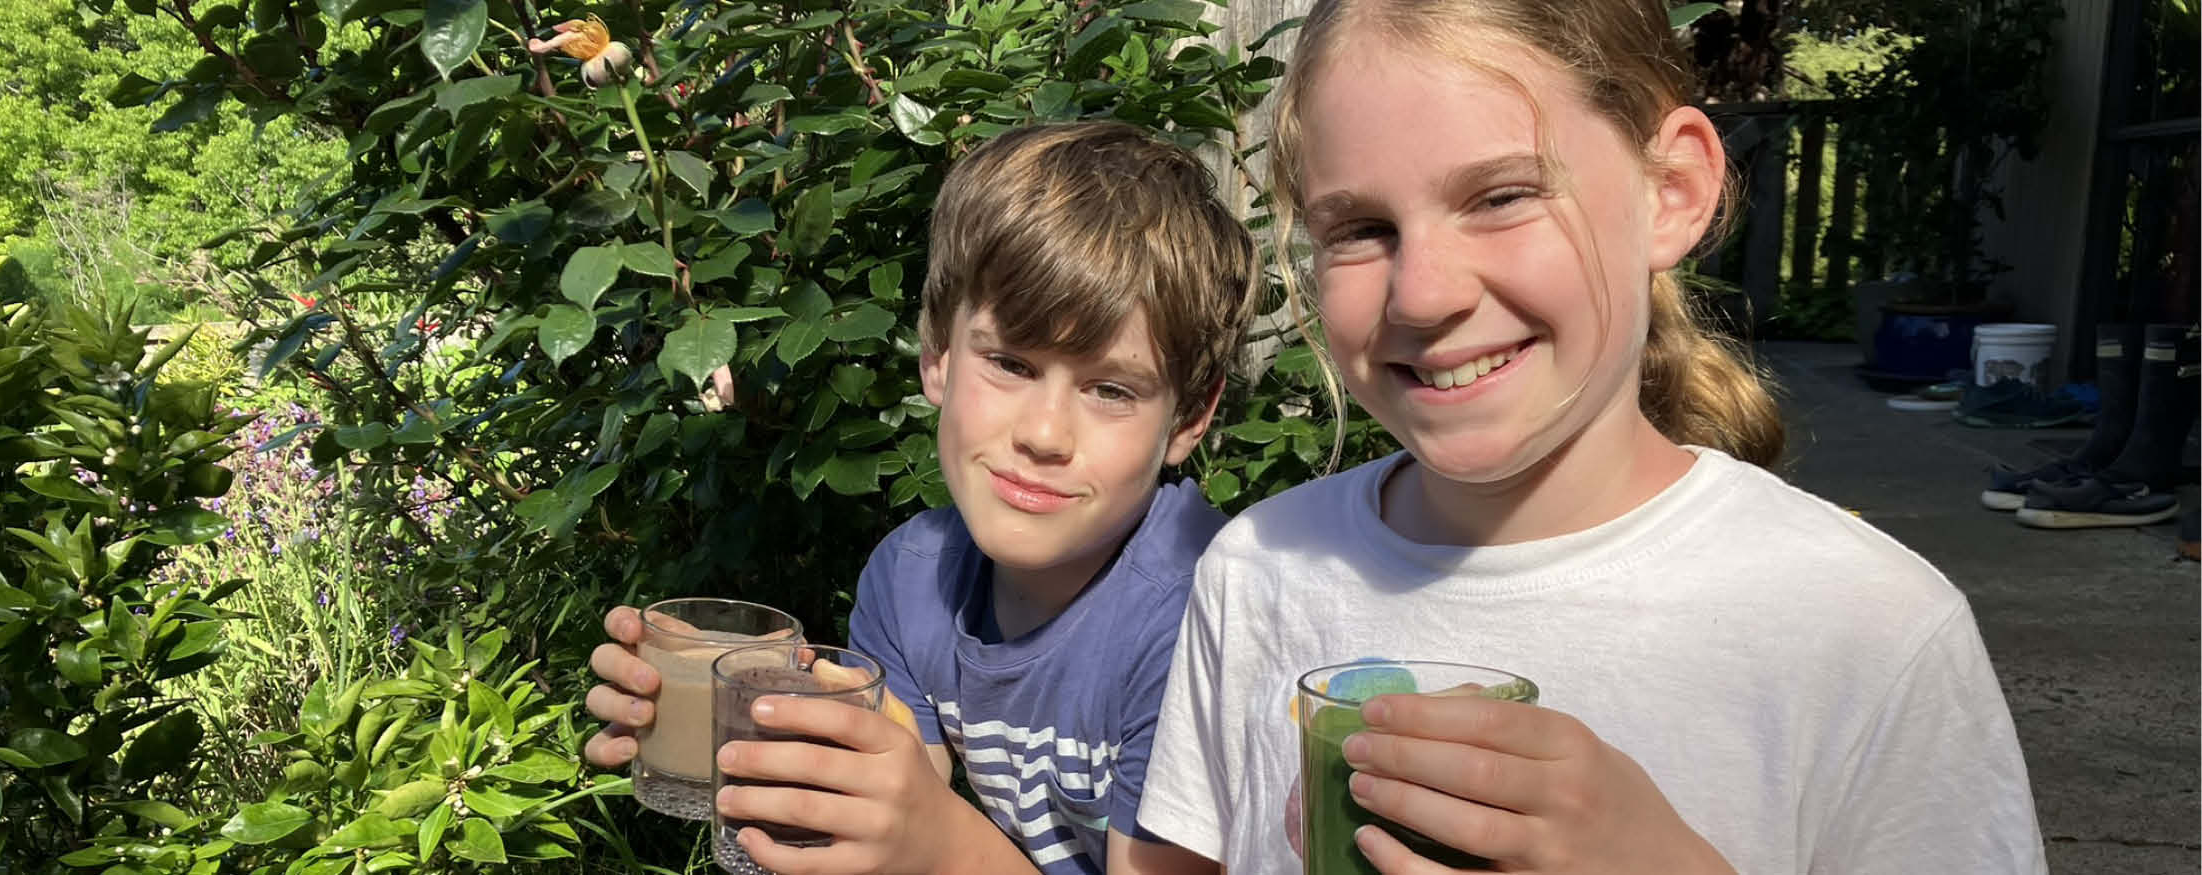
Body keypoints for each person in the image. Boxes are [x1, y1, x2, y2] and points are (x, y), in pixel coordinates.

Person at [1134, 1, 2046, 873]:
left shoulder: (1867, 628)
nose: (1424, 293)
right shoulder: (1259, 569)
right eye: (1363, 228)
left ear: (1672, 191)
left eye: (1500, 196)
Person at [583, 121, 1259, 875]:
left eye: (1110, 388)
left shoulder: (1203, 612)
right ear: (936, 354)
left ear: (1190, 417)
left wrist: (938, 842)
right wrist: (732, 723)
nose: (1043, 433)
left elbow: (926, 832)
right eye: (1010, 361)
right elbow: (898, 785)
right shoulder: (913, 579)